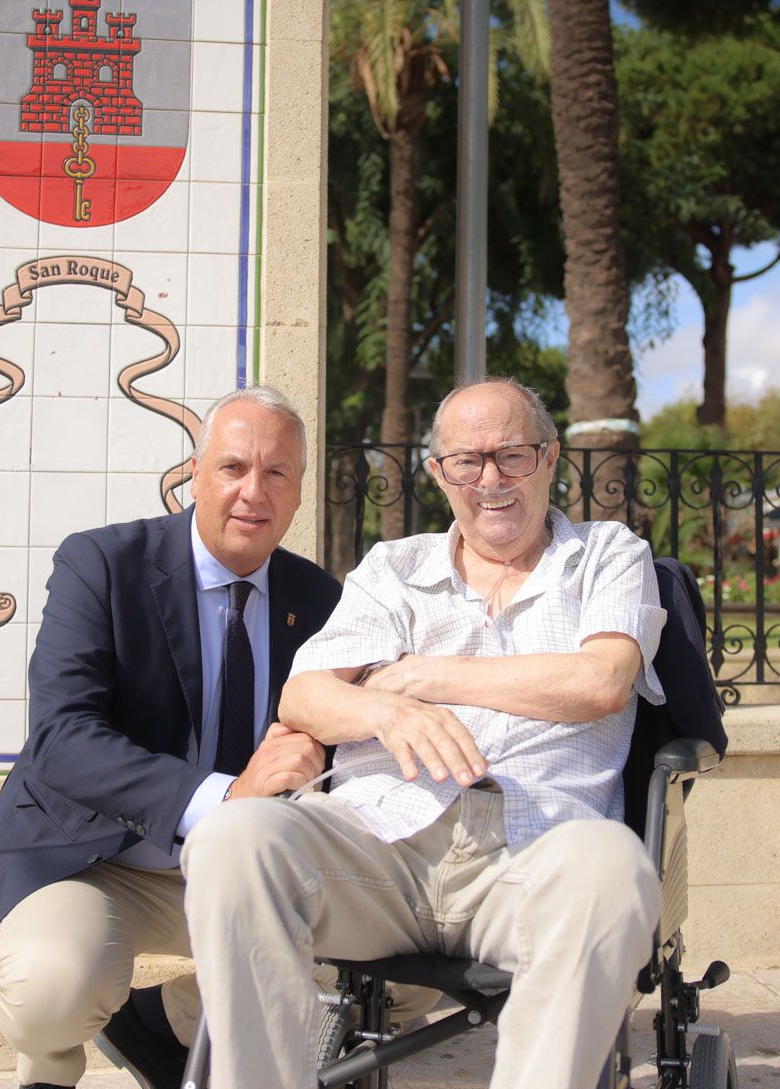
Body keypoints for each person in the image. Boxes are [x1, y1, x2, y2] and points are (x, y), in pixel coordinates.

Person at [181, 378, 669, 1089]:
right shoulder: (393, 570)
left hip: (533, 857)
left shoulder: (606, 556)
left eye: (513, 455)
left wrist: (421, 676)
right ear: (438, 473)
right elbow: (306, 694)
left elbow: (599, 682)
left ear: (552, 458)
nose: (490, 479)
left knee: (615, 868)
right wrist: (385, 713)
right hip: (380, 851)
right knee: (232, 839)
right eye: (466, 461)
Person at [0, 386, 341, 1089]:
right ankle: (47, 1065)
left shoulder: (320, 601)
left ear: (299, 491)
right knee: (54, 986)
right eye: (233, 468)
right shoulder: (101, 565)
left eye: (277, 472)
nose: (253, 492)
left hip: (247, 871)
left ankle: (162, 1024)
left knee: (382, 973)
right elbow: (61, 738)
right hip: (96, 858)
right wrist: (225, 796)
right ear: (195, 475)